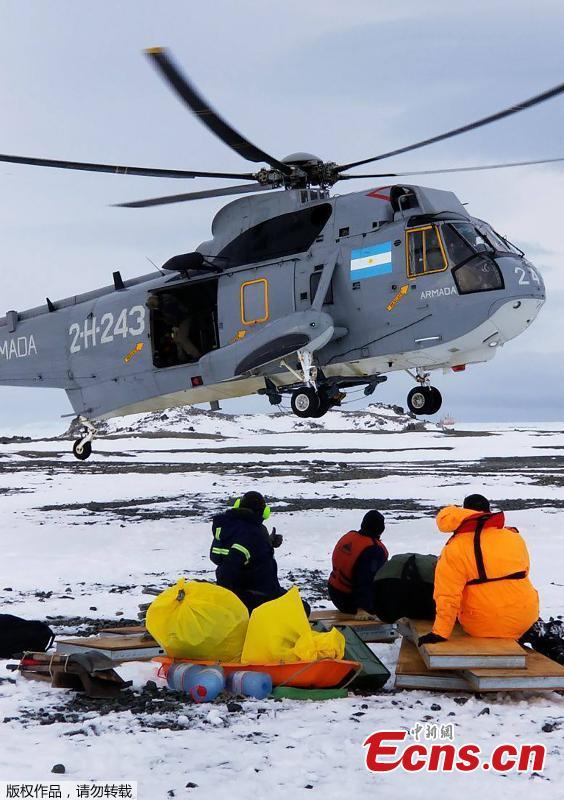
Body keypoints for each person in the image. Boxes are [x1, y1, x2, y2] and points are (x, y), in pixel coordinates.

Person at [418, 494, 539, 646]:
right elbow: (525, 571)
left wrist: (440, 633)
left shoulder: (455, 548)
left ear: (464, 513)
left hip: (481, 625)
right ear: (489, 511)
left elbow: (447, 596)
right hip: (526, 617)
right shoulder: (514, 538)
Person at [210, 491, 291, 613]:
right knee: (302, 608)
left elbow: (218, 556)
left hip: (240, 592)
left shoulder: (227, 527)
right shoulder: (254, 533)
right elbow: (229, 567)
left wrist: (268, 543)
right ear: (263, 512)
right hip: (257, 596)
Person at [327, 510, 389, 614]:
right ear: (380, 529)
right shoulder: (373, 550)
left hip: (334, 591)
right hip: (351, 601)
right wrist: (363, 608)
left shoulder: (350, 537)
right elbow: (366, 580)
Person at [147, 293, 201, 363]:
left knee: (182, 338)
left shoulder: (166, 306)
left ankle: (197, 356)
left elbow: (177, 315)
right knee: (176, 339)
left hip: (184, 319)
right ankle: (184, 357)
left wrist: (176, 326)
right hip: (182, 320)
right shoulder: (165, 300)